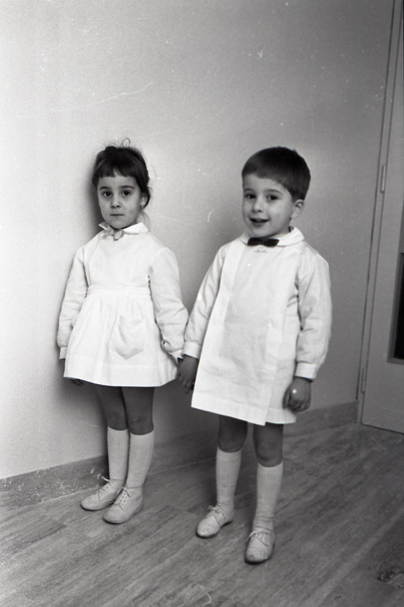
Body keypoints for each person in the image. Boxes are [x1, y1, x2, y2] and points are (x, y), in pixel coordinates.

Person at [178, 147, 331, 563]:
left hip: (272, 373)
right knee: (228, 436)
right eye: (250, 195)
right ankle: (224, 507)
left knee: (267, 446)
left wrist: (305, 375)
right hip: (229, 362)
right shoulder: (229, 252)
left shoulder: (306, 261)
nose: (257, 206)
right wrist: (191, 352)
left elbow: (317, 323)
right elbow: (205, 305)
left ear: (296, 207)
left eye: (271, 197)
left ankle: (263, 523)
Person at [57, 142, 188, 524]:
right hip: (97, 348)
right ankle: (115, 482)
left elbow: (169, 307)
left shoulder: (155, 252)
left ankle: (134, 489)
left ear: (142, 197)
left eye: (126, 192)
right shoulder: (88, 251)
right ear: (97, 197)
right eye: (106, 193)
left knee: (138, 416)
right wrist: (68, 349)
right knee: (113, 414)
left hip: (136, 348)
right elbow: (73, 301)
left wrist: (180, 351)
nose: (115, 202)